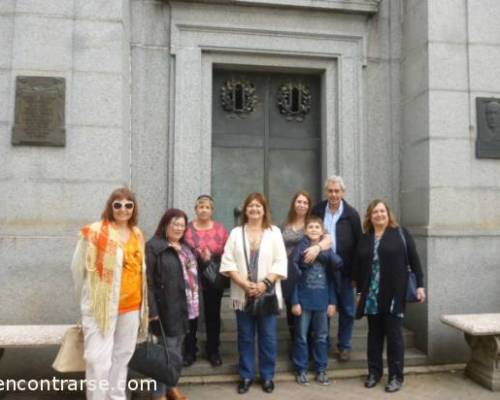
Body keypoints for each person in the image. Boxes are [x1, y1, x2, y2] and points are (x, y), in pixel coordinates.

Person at [71, 187, 149, 400]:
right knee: (98, 360)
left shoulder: (137, 233)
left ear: (134, 208)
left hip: (132, 306)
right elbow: (78, 270)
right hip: (101, 307)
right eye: (118, 205)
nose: (123, 209)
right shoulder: (94, 232)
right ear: (110, 207)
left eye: (128, 205)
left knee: (122, 357)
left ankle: (116, 397)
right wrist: (88, 302)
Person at [352, 199, 426, 393]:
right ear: (370, 216)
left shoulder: (400, 233)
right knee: (374, 335)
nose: (379, 215)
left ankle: (395, 377)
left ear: (388, 213)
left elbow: (415, 260)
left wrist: (420, 285)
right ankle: (374, 373)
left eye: (382, 211)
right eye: (375, 212)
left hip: (394, 293)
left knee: (394, 336)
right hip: (372, 294)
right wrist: (359, 292)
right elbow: (359, 268)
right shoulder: (365, 237)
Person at [220, 192, 287, 394]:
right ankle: (246, 376)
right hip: (243, 295)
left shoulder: (274, 232)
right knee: (246, 337)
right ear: (245, 210)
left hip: (266, 295)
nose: (254, 209)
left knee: (268, 337)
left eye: (258, 206)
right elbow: (228, 262)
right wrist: (244, 284)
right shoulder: (235, 233)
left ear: (264, 210)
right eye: (251, 206)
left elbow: (281, 261)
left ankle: (267, 377)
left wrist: (265, 283)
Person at [146, 208, 199, 400]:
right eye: (174, 224)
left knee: (176, 351)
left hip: (184, 307)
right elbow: (147, 281)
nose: (178, 228)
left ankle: (171, 387)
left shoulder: (185, 247)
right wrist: (152, 310)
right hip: (164, 308)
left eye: (182, 225)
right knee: (164, 354)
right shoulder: (154, 247)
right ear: (165, 225)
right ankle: (158, 394)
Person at [311, 175, 362, 362]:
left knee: (348, 310)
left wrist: (357, 274)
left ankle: (344, 346)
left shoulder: (352, 215)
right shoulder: (317, 210)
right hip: (322, 270)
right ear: (326, 192)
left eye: (337, 191)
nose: (333, 194)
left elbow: (359, 246)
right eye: (330, 191)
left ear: (343, 192)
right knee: (324, 308)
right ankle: (323, 344)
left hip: (346, 272)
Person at [290, 216, 342, 386]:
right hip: (304, 302)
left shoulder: (327, 252)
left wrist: (333, 302)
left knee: (321, 336)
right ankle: (301, 369)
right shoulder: (300, 250)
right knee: (301, 337)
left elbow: (333, 278)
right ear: (305, 231)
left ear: (322, 231)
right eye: (310, 227)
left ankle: (321, 369)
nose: (313, 229)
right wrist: (295, 301)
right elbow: (294, 278)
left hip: (322, 302)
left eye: (317, 227)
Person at [184, 194, 229, 367]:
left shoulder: (220, 229)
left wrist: (212, 257)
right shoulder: (187, 229)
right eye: (201, 207)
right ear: (195, 209)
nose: (204, 210)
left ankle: (213, 350)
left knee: (213, 315)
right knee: (191, 316)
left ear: (212, 210)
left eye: (207, 207)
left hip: (213, 277)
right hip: (191, 278)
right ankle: (189, 350)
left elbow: (228, 252)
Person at [281, 191, 331, 340]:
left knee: (308, 310)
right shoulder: (285, 224)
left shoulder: (313, 224)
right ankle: (295, 343)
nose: (302, 205)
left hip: (309, 272)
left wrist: (317, 248)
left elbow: (328, 239)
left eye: (305, 202)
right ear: (294, 204)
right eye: (299, 202)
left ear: (309, 206)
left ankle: (310, 346)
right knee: (292, 308)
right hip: (289, 272)